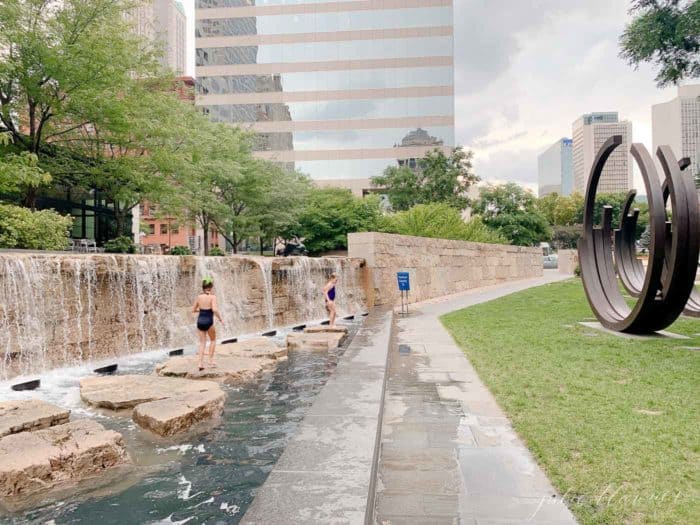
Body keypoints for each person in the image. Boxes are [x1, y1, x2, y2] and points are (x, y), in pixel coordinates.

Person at [192, 276, 223, 370]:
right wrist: (220, 319)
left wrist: (202, 311)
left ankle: (200, 364)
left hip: (200, 321)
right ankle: (211, 361)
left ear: (203, 287)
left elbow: (193, 310)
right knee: (213, 340)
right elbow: (214, 310)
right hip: (209, 321)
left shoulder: (199, 297)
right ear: (211, 287)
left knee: (202, 343)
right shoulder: (213, 297)